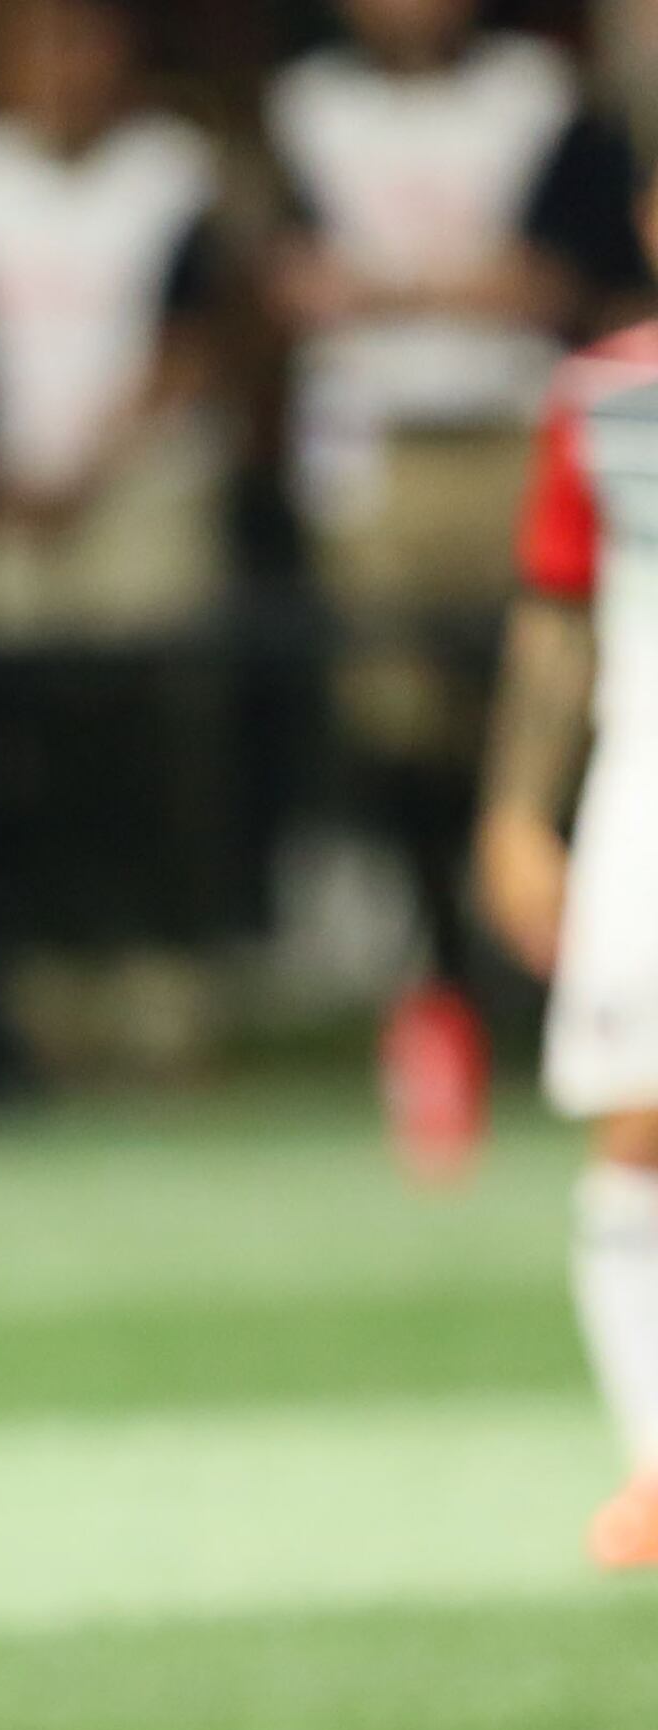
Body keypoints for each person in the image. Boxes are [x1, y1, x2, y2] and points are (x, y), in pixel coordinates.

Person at [268, 0, 650, 1177]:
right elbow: (287, 278)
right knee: (401, 726)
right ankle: (446, 987)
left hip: (495, 421)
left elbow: (549, 275)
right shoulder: (309, 106)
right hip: (376, 447)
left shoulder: (537, 97)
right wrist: (515, 809)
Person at [0, 0, 240, 1073]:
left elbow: (195, 340)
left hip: (137, 488)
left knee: (147, 734)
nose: (61, 66)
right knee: (15, 746)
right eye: (36, 44)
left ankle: (163, 982)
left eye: (84, 40)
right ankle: (39, 982)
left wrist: (84, 467)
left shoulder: (172, 168)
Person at [479, 286, 658, 1566]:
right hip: (648, 796)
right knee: (638, 1125)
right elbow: (557, 614)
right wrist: (517, 810)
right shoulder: (607, 396)